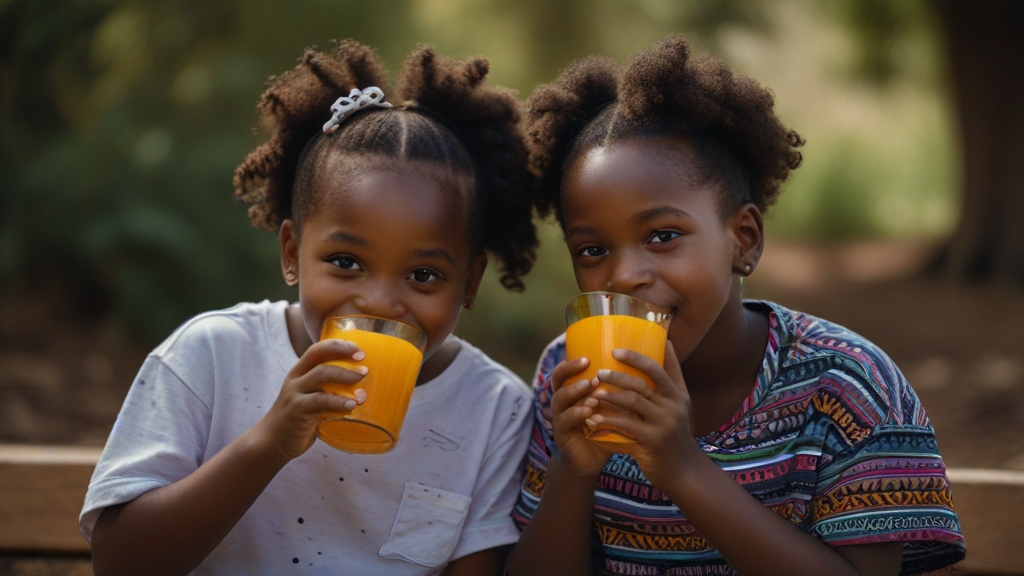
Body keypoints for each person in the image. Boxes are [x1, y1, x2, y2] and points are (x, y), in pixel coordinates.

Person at [507, 35, 965, 576]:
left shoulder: (848, 386)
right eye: (593, 249)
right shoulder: (568, 376)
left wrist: (680, 467)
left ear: (742, 239)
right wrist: (573, 469)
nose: (625, 274)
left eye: (662, 235)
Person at [81, 40, 537, 576]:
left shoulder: (493, 409)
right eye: (346, 262)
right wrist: (268, 443)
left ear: (470, 281)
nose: (380, 302)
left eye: (424, 275)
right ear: (293, 253)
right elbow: (119, 562)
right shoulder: (213, 355)